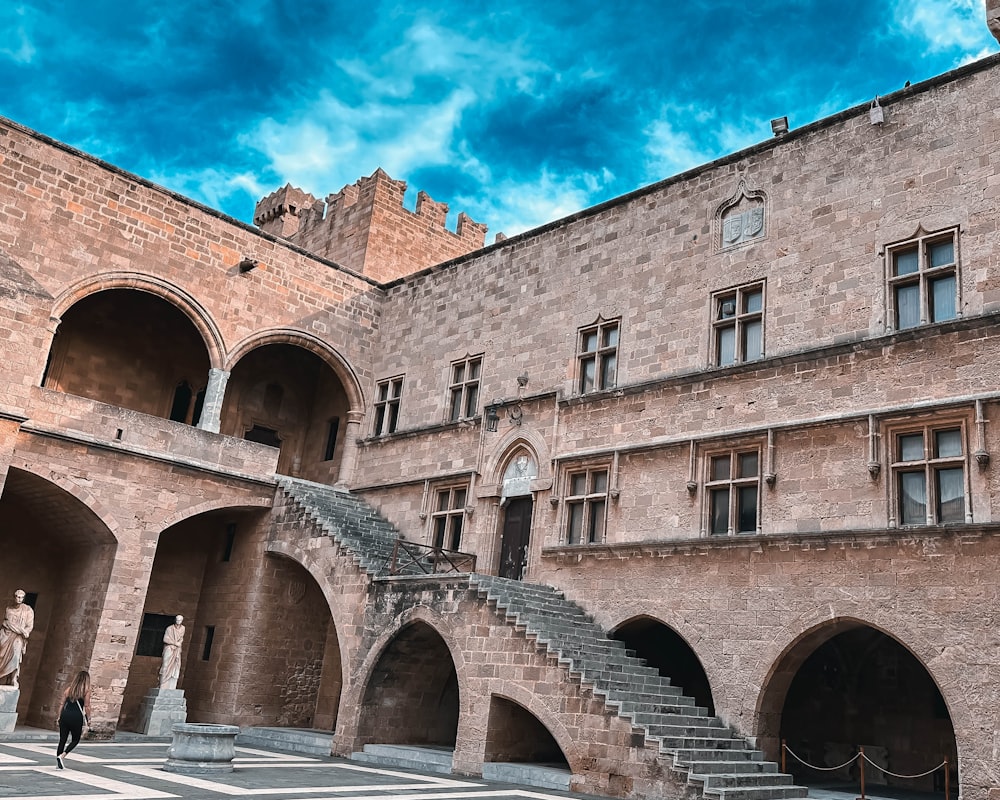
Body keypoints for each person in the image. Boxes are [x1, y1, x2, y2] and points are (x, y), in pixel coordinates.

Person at [55, 670, 91, 769]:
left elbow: (62, 704)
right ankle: (62, 756)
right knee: (75, 739)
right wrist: (89, 719)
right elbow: (87, 706)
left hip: (65, 715)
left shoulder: (68, 690)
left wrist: (59, 716)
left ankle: (58, 759)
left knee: (62, 739)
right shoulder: (86, 691)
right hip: (76, 717)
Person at [0, 589, 34, 688]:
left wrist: (25, 631)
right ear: (14, 597)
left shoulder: (28, 610)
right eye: (17, 597)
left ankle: (13, 678)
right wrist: (21, 630)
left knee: (15, 657)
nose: (19, 599)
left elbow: (29, 626)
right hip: (6, 635)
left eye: (21, 597)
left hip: (18, 638)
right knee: (1, 655)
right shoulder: (9, 609)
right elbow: (7, 623)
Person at [159, 615, 185, 691]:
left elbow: (181, 638)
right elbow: (165, 639)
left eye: (180, 620)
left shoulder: (183, 628)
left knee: (176, 666)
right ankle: (162, 684)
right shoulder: (170, 628)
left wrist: (179, 643)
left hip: (177, 649)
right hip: (169, 648)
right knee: (165, 665)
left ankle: (172, 686)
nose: (178, 622)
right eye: (177, 620)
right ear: (175, 620)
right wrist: (174, 643)